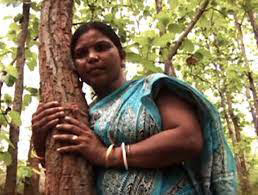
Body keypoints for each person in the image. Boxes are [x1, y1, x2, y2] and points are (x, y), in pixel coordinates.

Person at [32, 21, 237, 194]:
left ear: (122, 57)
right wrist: (41, 140)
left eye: (101, 47)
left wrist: (105, 155)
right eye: (81, 54)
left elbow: (188, 138)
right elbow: (69, 167)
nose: (92, 57)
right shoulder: (83, 114)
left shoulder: (151, 89)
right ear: (75, 67)